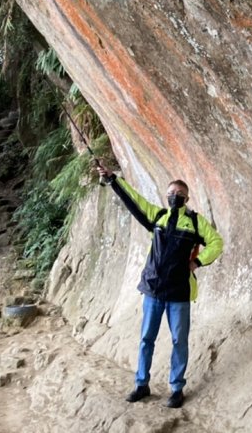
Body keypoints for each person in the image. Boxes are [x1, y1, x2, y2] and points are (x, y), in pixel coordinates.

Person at [97, 165, 224, 408]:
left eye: (178, 192)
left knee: (179, 341)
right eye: (170, 192)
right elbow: (135, 201)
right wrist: (113, 180)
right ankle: (141, 384)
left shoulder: (196, 223)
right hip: (153, 289)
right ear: (166, 197)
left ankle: (176, 389)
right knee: (146, 338)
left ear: (186, 198)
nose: (173, 195)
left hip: (179, 293)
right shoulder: (157, 217)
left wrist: (197, 261)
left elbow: (217, 242)